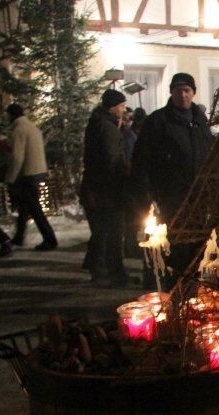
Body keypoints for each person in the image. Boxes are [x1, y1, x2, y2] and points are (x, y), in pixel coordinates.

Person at [131, 72, 215, 279]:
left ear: (193, 93)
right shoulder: (158, 121)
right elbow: (142, 159)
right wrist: (147, 194)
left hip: (198, 195)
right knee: (173, 240)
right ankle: (171, 280)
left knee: (198, 239)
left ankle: (194, 279)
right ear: (172, 93)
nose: (183, 95)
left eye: (187, 90)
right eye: (178, 91)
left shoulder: (200, 120)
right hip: (171, 195)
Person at [81, 89, 132, 286]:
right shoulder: (107, 128)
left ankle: (98, 270)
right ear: (112, 107)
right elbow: (112, 159)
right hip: (108, 189)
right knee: (112, 232)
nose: (124, 109)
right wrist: (124, 175)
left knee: (101, 231)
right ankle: (114, 274)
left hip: (97, 187)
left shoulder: (98, 123)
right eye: (121, 105)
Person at [4, 103, 58, 250]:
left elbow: (17, 157)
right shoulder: (32, 127)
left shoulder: (18, 130)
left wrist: (10, 177)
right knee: (25, 206)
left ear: (11, 115)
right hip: (38, 170)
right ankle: (19, 237)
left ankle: (50, 239)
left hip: (28, 173)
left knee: (33, 208)